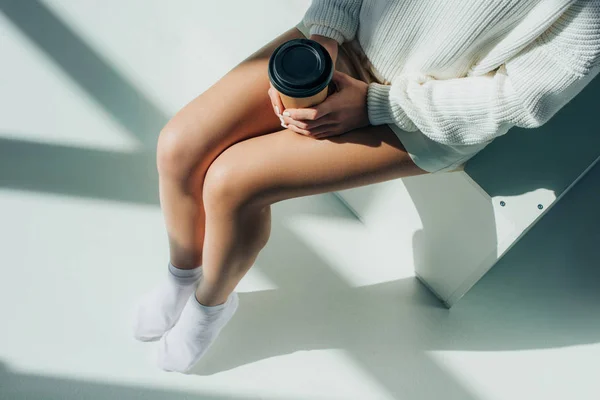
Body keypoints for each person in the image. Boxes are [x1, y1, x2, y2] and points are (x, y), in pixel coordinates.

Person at [133, 0, 600, 373]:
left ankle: (209, 305)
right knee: (178, 145)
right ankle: (182, 273)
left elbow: (523, 98)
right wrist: (324, 33)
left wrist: (378, 104)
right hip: (346, 45)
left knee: (231, 184)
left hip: (424, 117)